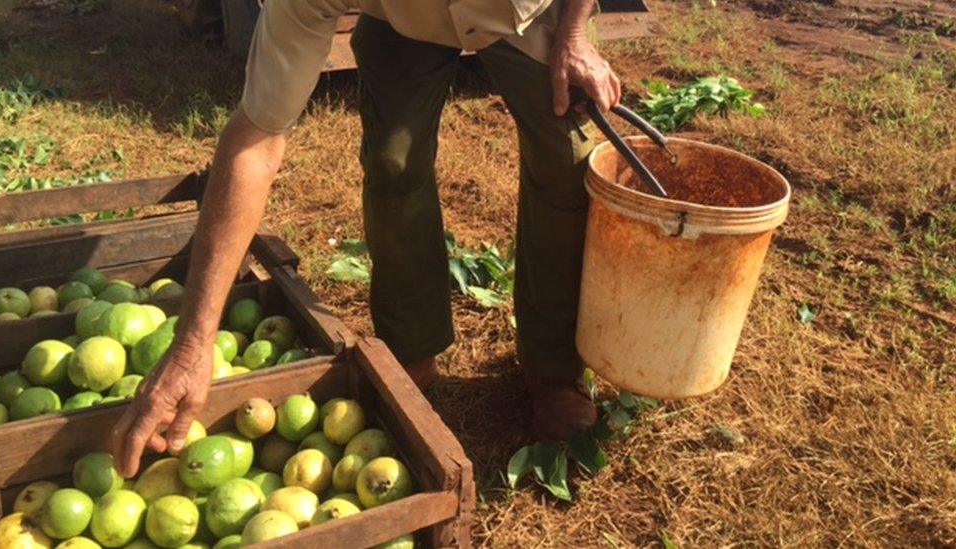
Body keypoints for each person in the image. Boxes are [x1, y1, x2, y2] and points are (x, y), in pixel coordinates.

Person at [113, 0, 622, 477]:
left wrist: (574, 34)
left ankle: (555, 373)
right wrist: (192, 344)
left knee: (566, 163)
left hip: (525, 14)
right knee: (392, 161)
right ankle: (410, 354)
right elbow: (256, 141)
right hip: (401, 21)